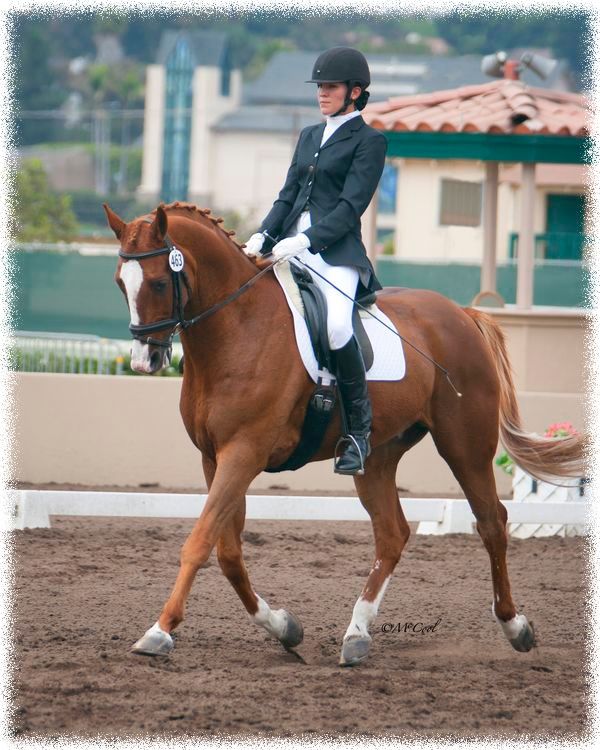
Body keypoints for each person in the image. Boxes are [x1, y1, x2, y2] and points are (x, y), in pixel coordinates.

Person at [244, 46, 388, 475]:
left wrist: (304, 240)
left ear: (355, 91)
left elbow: (349, 208)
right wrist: (262, 234)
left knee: (338, 325)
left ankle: (359, 434)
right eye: (320, 86)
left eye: (330, 86)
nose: (322, 93)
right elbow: (288, 194)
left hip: (335, 254)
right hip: (288, 244)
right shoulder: (308, 135)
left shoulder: (370, 141)